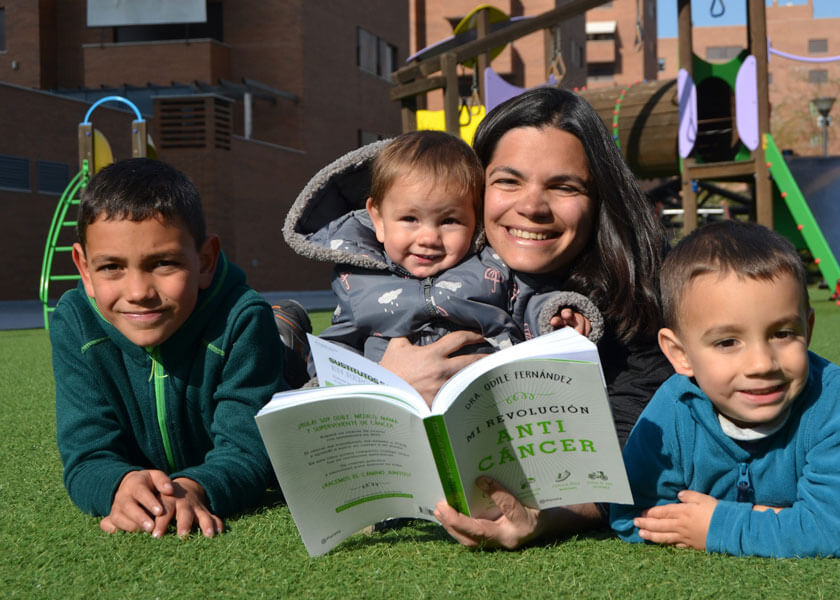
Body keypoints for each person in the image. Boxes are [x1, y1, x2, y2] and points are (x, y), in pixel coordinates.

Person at [374, 88, 673, 549]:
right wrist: (387, 387)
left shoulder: (642, 294)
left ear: (599, 199)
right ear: (475, 188)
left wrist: (545, 519)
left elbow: (624, 448)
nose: (532, 206)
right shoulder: (422, 255)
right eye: (509, 181)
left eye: (564, 186)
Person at [609, 220, 840, 557]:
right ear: (680, 354)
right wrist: (783, 519)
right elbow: (632, 515)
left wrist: (718, 524)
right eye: (728, 341)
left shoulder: (830, 400)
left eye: (783, 333)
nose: (761, 364)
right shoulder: (673, 409)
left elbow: (837, 530)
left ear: (808, 327)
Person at [52, 158, 285, 538]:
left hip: (265, 345)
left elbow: (250, 451)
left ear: (205, 261)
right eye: (111, 267)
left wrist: (197, 487)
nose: (139, 292)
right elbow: (86, 455)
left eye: (163, 263)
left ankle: (284, 331)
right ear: (83, 269)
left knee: (292, 391)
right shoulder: (74, 322)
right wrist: (119, 486)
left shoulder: (242, 317)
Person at [283, 130, 601, 372]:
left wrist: (556, 315)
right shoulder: (357, 280)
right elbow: (338, 346)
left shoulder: (492, 265)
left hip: (491, 399)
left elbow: (529, 301)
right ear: (377, 218)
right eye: (410, 219)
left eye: (449, 221)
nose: (429, 238)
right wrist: (361, 381)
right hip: (402, 409)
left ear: (475, 220)